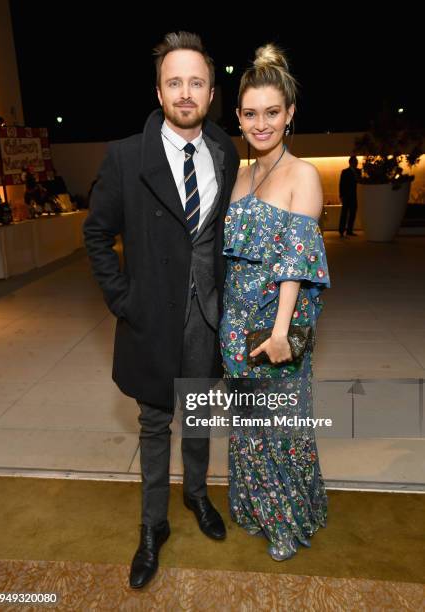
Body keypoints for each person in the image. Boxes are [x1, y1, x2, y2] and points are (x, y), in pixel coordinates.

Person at [83, 31, 239, 589]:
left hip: (207, 315)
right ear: (158, 90)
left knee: (198, 414)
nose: (185, 92)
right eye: (175, 82)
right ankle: (153, 527)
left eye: (196, 82)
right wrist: (124, 301)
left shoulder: (224, 148)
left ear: (211, 90)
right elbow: (97, 235)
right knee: (155, 424)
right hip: (151, 316)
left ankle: (197, 495)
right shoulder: (127, 156)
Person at [219, 44, 330, 561]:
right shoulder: (242, 175)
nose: (260, 124)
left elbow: (297, 261)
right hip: (234, 327)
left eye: (271, 112)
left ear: (289, 115)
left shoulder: (302, 174)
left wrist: (282, 330)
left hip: (274, 331)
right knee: (248, 428)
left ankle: (288, 519)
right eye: (249, 113)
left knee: (280, 428)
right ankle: (255, 507)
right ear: (239, 116)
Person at [338, 155, 360, 237]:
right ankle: (341, 230)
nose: (356, 163)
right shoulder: (345, 172)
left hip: (355, 196)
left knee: (353, 213)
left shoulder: (359, 171)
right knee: (344, 214)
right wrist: (341, 195)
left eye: (357, 162)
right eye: (355, 162)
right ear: (351, 162)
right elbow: (341, 184)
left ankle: (349, 230)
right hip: (346, 196)